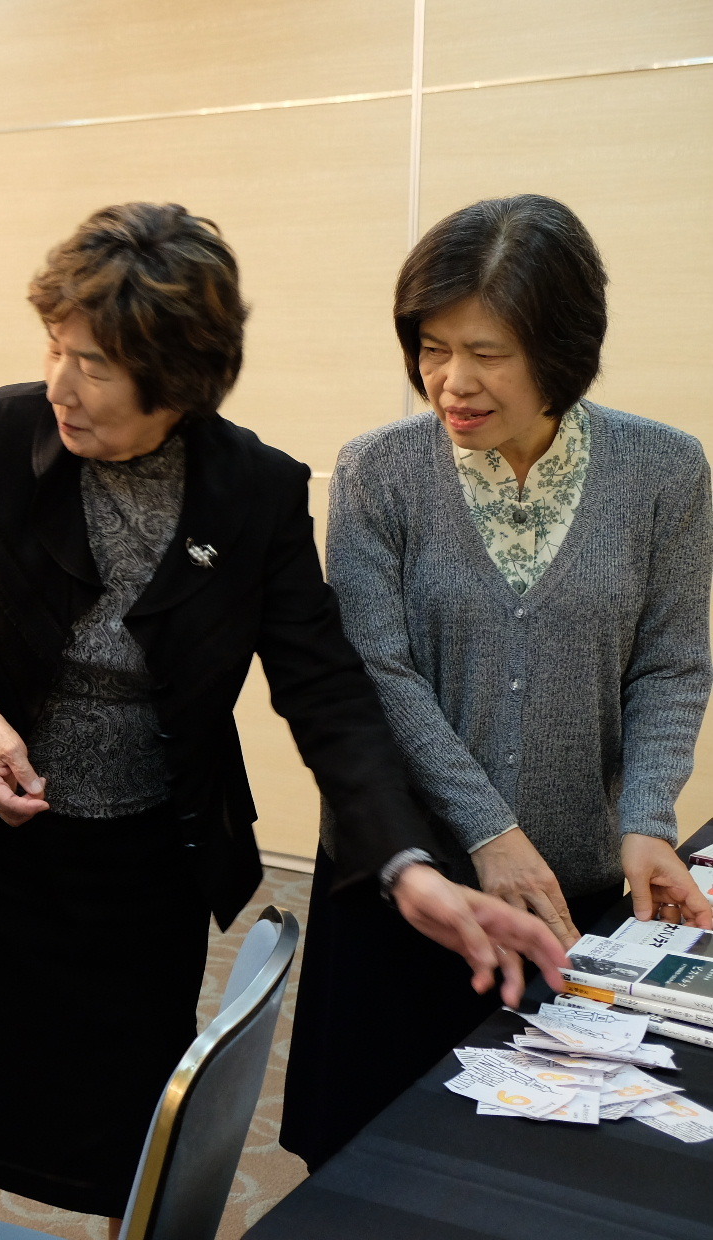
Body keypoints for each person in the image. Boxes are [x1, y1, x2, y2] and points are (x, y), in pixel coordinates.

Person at [0, 202, 569, 1233]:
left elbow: (327, 691)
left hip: (151, 855)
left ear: (176, 380)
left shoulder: (252, 491)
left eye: (94, 364)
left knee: (129, 1103)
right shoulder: (4, 432)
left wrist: (408, 866)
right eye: (55, 348)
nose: (61, 383)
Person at [281, 194, 713, 1168]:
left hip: (569, 888)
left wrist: (648, 814)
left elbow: (671, 661)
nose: (452, 381)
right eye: (432, 348)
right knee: (364, 1163)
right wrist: (488, 832)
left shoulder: (665, 472)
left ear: (561, 350)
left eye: (487, 351)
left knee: (541, 1168)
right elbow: (377, 671)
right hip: (409, 887)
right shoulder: (378, 471)